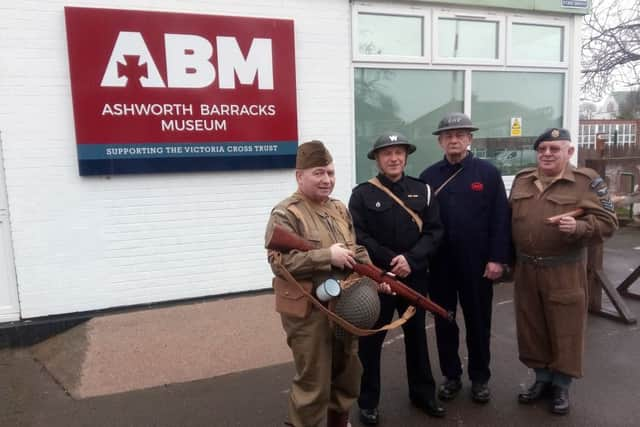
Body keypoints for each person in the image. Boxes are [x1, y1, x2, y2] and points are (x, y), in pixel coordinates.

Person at [265, 140, 387, 427]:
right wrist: (326, 256)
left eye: (330, 173)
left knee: (346, 377)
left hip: (343, 308)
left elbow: (355, 250)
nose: (327, 180)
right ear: (300, 176)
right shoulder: (286, 213)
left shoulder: (338, 208)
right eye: (319, 173)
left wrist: (376, 275)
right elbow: (279, 264)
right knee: (313, 384)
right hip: (309, 313)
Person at [510, 128, 618, 415]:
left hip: (564, 270)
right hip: (527, 268)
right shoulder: (523, 180)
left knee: (565, 329)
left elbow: (609, 223)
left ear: (569, 152)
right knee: (531, 326)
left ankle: (561, 386)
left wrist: (580, 228)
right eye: (543, 148)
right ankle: (541, 379)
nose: (547, 154)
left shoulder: (586, 182)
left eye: (554, 149)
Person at [349, 132, 445, 425]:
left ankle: (423, 394)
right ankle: (367, 403)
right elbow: (359, 235)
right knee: (370, 342)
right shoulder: (362, 194)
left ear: (406, 156)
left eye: (399, 153)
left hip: (413, 276)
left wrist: (410, 260)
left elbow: (434, 231)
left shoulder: (423, 190)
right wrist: (389, 261)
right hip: (376, 279)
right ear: (377, 159)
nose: (393, 158)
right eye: (387, 153)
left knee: (417, 337)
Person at [419, 113, 512, 404]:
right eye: (448, 135)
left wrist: (498, 259)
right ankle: (451, 375)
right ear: (439, 141)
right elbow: (419, 222)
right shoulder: (428, 176)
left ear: (470, 138)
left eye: (460, 134)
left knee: (478, 322)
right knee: (444, 321)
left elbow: (501, 219)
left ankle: (480, 378)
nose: (454, 139)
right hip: (441, 264)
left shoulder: (488, 173)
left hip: (478, 263)